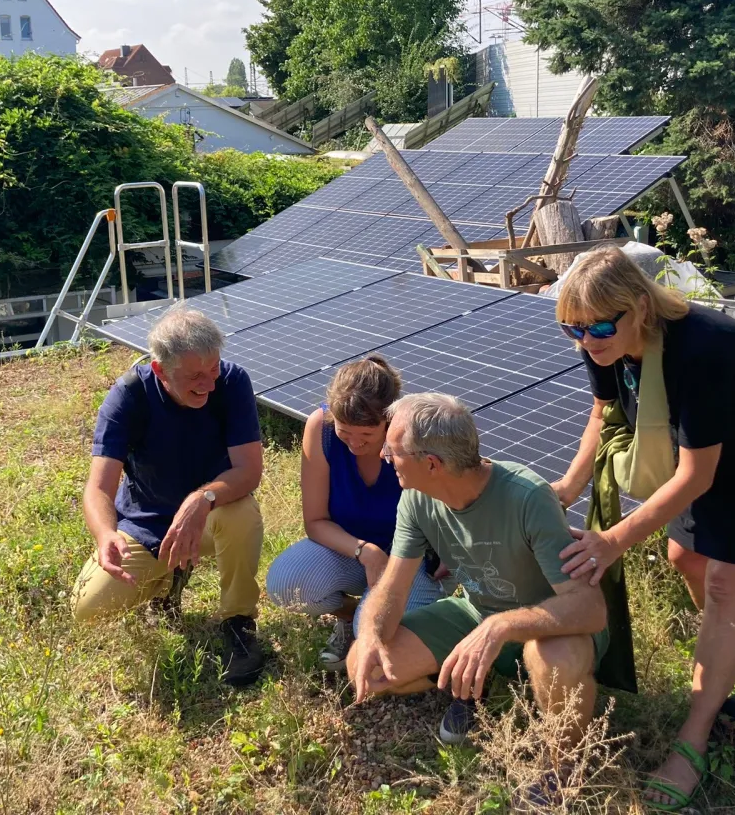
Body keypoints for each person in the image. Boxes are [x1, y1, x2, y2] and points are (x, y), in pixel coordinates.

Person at [549, 246, 735, 811]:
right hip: (703, 449)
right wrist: (569, 486)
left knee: (727, 580)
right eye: (573, 329)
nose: (587, 340)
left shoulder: (702, 346)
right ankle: (725, 646)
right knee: (686, 559)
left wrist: (614, 540)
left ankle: (696, 733)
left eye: (601, 325)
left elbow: (696, 476)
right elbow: (603, 412)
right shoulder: (597, 335)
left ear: (640, 309)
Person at [347, 392, 609, 771]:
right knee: (365, 665)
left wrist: (501, 626)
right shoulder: (417, 499)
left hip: (550, 626)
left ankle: (562, 768)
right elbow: (393, 587)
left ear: (432, 463)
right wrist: (371, 632)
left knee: (555, 662)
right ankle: (472, 681)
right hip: (476, 612)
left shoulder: (528, 497)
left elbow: (590, 608)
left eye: (392, 452)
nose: (385, 460)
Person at [72, 308, 268, 686]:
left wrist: (202, 500)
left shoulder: (232, 382)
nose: (208, 384)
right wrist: (105, 535)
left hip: (214, 515)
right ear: (160, 370)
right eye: (194, 376)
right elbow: (99, 487)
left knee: (242, 513)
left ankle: (238, 623)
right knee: (88, 609)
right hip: (147, 524)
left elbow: (248, 471)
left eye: (212, 370)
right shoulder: (129, 395)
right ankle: (168, 582)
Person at [265, 356, 444, 668]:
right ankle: (350, 614)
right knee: (286, 584)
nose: (354, 444)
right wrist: (365, 552)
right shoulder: (320, 429)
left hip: (410, 555)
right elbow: (316, 522)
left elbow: (445, 508)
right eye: (344, 432)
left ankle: (374, 616)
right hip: (351, 548)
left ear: (389, 421)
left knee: (374, 639)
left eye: (366, 435)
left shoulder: (415, 435)